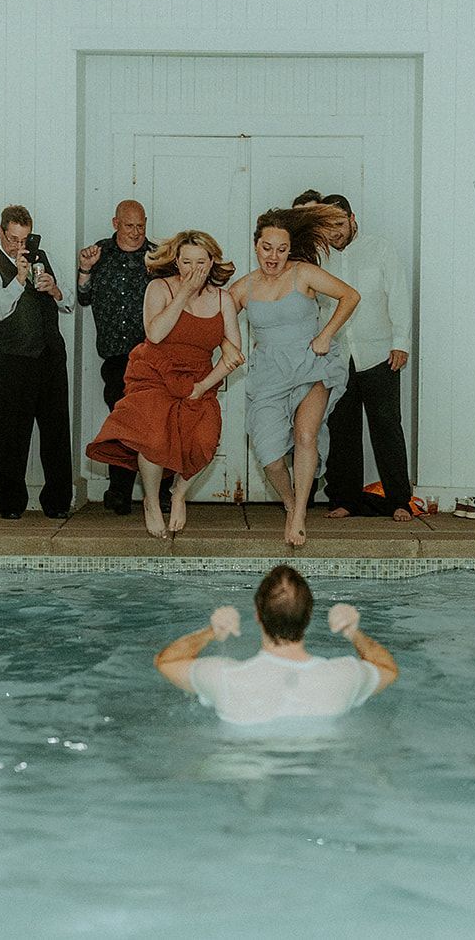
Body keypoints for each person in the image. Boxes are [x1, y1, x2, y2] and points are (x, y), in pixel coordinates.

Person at [87, 231, 243, 538]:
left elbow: (234, 356)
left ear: (211, 262)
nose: (193, 269)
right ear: (176, 261)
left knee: (205, 441)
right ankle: (151, 501)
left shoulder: (223, 299)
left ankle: (178, 493)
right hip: (155, 371)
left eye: (200, 262)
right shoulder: (159, 287)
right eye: (186, 261)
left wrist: (202, 387)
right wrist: (184, 293)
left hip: (198, 377)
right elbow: (155, 334)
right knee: (154, 436)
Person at [228, 206, 359, 547]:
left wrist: (327, 334)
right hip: (268, 373)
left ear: (290, 250)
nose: (274, 256)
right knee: (270, 457)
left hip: (312, 364)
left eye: (282, 249)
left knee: (305, 435)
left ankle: (299, 512)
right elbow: (218, 321)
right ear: (256, 245)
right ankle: (289, 500)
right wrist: (230, 348)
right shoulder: (243, 288)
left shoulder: (304, 274)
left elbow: (350, 296)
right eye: (267, 247)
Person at [155, 563, 398, 725]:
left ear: (258, 615)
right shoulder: (344, 676)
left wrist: (211, 633)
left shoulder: (226, 677)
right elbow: (388, 669)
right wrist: (354, 633)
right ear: (309, 616)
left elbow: (166, 662)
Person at [315, 194, 415, 522]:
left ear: (353, 219)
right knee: (342, 430)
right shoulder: (319, 258)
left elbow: (398, 295)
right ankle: (345, 500)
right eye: (328, 227)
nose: (335, 233)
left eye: (340, 225)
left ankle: (400, 500)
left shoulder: (380, 249)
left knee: (387, 428)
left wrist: (401, 342)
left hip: (380, 355)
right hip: (338, 357)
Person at [0, 204, 73, 520]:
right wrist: (19, 278)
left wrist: (55, 290)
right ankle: (11, 505)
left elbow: (68, 301)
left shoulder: (41, 257)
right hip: (11, 361)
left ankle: (58, 502)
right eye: (14, 238)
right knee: (10, 436)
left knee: (56, 433)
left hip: (49, 358)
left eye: (25, 239)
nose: (20, 246)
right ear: (0, 232)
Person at [76, 198, 166, 515]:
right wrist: (85, 270)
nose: (136, 232)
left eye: (141, 225)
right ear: (115, 223)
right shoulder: (99, 254)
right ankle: (119, 492)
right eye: (129, 225)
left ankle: (162, 492)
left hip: (153, 354)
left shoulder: (157, 257)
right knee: (123, 422)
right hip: (116, 357)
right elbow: (83, 298)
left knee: (157, 422)